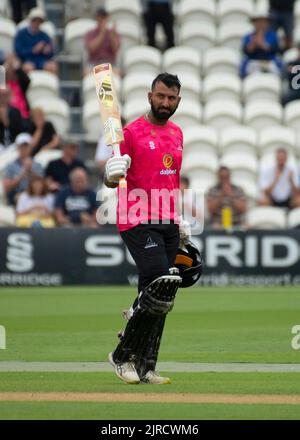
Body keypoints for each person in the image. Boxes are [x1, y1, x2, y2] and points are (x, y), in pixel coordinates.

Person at [105, 72, 195, 385]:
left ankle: (144, 365)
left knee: (161, 295)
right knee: (161, 280)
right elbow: (113, 174)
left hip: (168, 220)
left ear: (178, 101)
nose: (165, 102)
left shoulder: (178, 133)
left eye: (171, 98)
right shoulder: (131, 132)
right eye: (160, 96)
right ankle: (121, 356)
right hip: (136, 218)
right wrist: (110, 174)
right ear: (149, 96)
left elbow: (171, 181)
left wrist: (180, 219)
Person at [3, 132, 44, 205]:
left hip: (34, 194)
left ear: (30, 147)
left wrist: (30, 171)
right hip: (16, 194)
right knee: (21, 198)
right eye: (22, 146)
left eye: (26, 146)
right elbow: (6, 188)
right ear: (17, 147)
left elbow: (43, 184)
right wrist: (23, 173)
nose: (24, 148)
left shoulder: (38, 165)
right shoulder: (10, 165)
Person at [14, 7, 57, 74]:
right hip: (27, 61)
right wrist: (33, 50)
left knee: (52, 67)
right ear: (30, 21)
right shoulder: (21, 34)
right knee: (27, 68)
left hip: (42, 61)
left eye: (39, 21)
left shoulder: (45, 35)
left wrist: (48, 51)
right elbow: (18, 51)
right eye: (34, 20)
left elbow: (51, 54)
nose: (37, 23)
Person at [240, 12, 282, 78]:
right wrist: (253, 43)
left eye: (263, 22)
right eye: (259, 22)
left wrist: (263, 44)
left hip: (269, 61)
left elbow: (275, 50)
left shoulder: (272, 36)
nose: (261, 24)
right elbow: (246, 51)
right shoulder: (248, 36)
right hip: (252, 61)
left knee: (279, 66)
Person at [84, 7, 120, 76]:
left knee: (117, 72)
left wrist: (112, 37)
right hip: (94, 63)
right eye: (99, 18)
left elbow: (115, 50)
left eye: (103, 18)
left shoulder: (113, 33)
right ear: (96, 18)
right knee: (87, 72)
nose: (101, 20)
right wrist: (102, 34)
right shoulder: (90, 33)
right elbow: (91, 49)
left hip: (110, 63)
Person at [4, 53, 31, 121]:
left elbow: (27, 81)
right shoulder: (3, 83)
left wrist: (18, 68)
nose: (10, 72)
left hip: (22, 114)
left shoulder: (21, 83)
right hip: (7, 113)